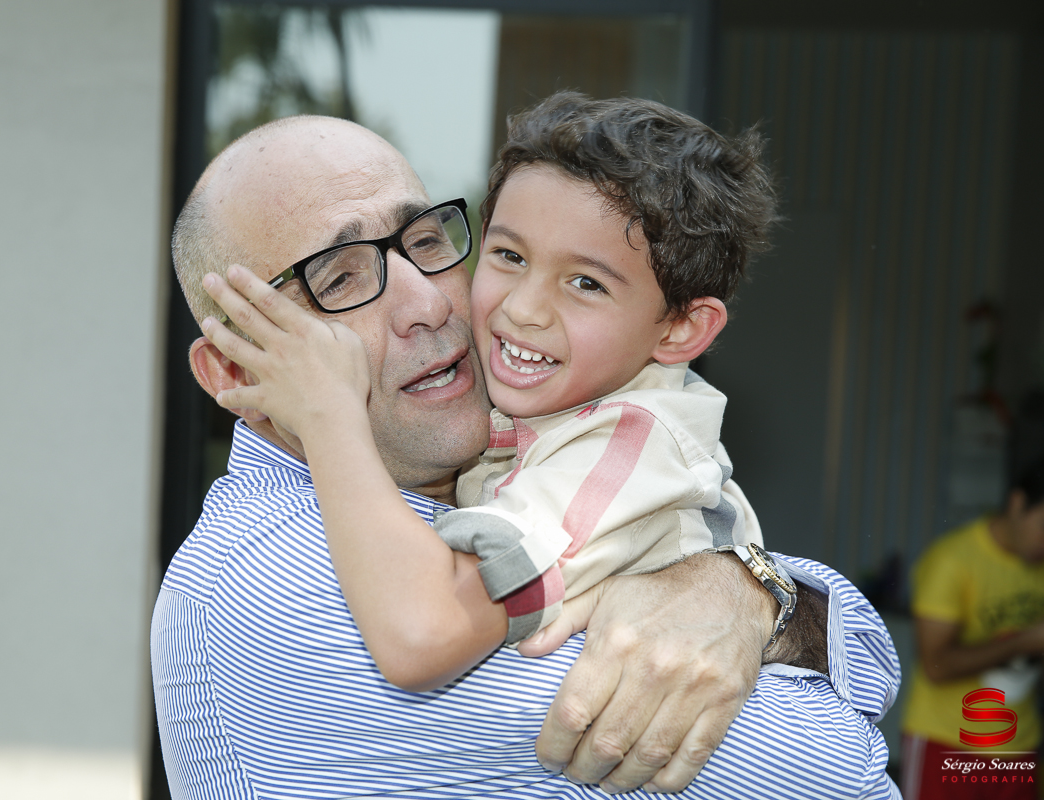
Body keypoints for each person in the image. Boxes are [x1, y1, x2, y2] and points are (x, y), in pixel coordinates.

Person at [153, 112, 900, 799]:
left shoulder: (565, 447)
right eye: (339, 276)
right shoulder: (286, 584)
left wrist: (744, 589)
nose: (431, 302)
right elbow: (833, 758)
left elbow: (866, 658)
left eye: (424, 241)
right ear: (239, 373)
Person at [203, 93, 777, 693]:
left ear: (681, 327)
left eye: (586, 282)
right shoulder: (256, 572)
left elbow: (425, 637)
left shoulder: (623, 443)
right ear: (234, 370)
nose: (522, 309)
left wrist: (331, 419)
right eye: (508, 255)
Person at [901, 456, 1044, 800]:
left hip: (1019, 746)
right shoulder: (952, 561)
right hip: (944, 742)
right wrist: (1026, 641)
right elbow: (936, 666)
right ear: (1017, 503)